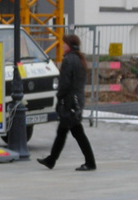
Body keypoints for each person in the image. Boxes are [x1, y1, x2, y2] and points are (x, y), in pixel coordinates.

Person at [37, 34, 96, 172]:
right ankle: (51, 159)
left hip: (70, 102)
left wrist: (59, 97)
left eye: (64, 44)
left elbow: (65, 83)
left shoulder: (69, 60)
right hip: (76, 101)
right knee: (65, 132)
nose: (62, 46)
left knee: (75, 133)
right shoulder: (79, 59)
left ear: (69, 45)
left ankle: (90, 162)